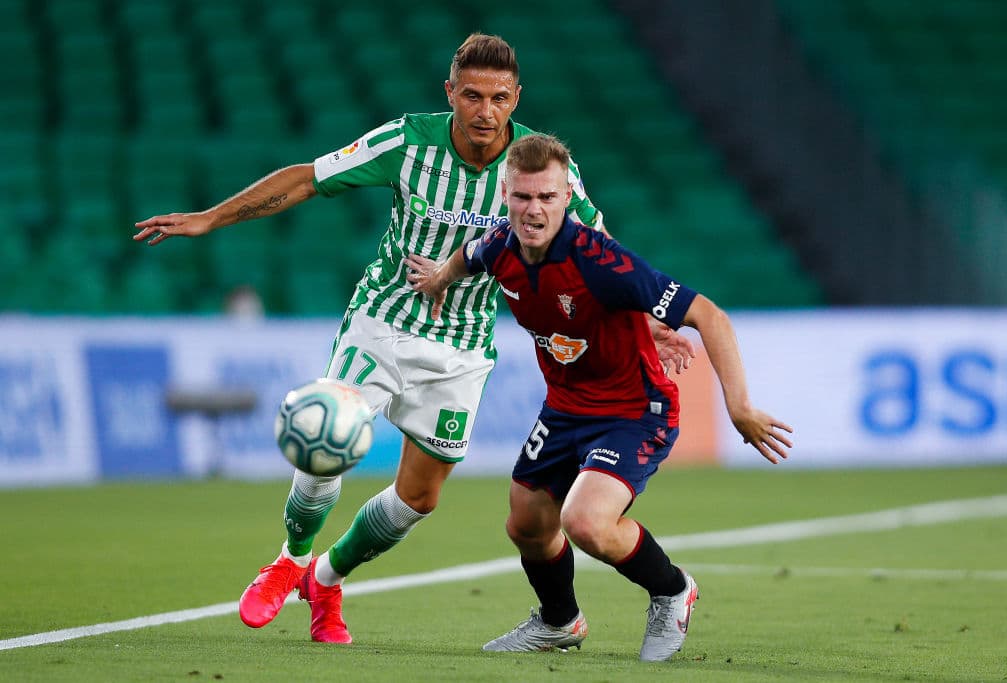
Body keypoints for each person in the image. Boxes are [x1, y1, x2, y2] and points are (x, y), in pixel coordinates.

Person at [133, 34, 691, 645]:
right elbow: (310, 178)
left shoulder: (536, 170)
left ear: (516, 98)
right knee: (328, 434)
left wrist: (655, 321)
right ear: (449, 92)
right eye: (472, 95)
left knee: (418, 498)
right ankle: (290, 558)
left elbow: (599, 253)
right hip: (383, 323)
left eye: (499, 98)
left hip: (464, 349)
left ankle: (325, 577)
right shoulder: (409, 142)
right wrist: (210, 218)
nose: (485, 111)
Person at [406, 133, 793, 661]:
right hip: (565, 407)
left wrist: (740, 406)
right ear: (504, 197)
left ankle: (672, 590)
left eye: (547, 197)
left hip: (636, 410)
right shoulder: (500, 246)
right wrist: (439, 280)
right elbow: (467, 256)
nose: (533, 210)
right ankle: (559, 622)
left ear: (568, 197)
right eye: (522, 197)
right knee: (525, 522)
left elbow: (710, 316)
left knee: (584, 521)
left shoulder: (601, 262)